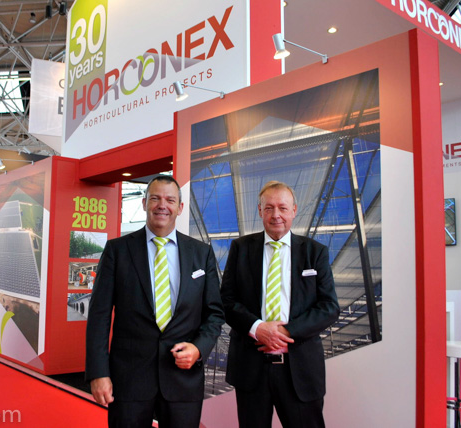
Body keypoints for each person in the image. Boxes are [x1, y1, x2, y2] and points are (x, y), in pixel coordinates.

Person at [86, 175, 225, 428]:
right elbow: (99, 316)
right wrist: (98, 372)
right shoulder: (117, 250)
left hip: (183, 379)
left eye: (170, 200)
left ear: (179, 207)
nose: (162, 205)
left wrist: (198, 349)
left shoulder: (201, 253)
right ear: (144, 203)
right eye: (155, 199)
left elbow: (214, 313)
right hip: (128, 380)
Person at [220, 181, 339, 428]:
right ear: (260, 211)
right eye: (269, 208)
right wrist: (257, 328)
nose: (276, 215)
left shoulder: (315, 252)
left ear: (294, 210)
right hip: (251, 368)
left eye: (283, 208)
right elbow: (226, 301)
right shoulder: (241, 248)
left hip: (300, 370)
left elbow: (329, 307)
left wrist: (285, 332)